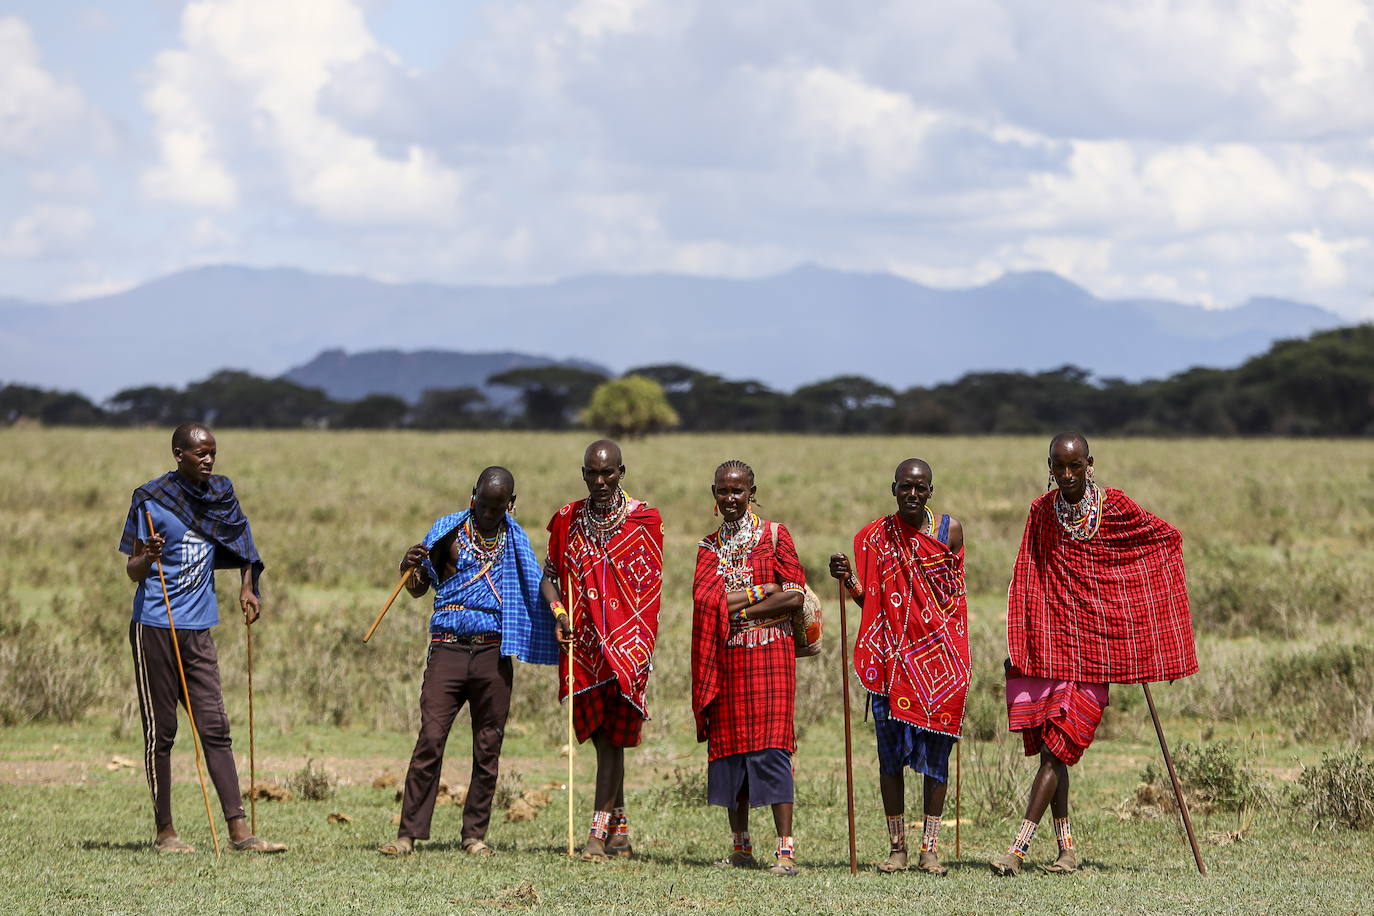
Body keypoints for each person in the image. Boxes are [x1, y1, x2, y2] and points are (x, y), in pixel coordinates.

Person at [991, 432, 1196, 876]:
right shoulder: (1041, 512)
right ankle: (1066, 852)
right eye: (1058, 466)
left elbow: (1162, 539)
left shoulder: (1116, 506)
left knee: (1057, 750)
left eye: (1075, 465)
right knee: (1053, 749)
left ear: (1090, 464)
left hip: (1097, 650)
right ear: (1048, 466)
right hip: (1052, 645)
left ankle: (1017, 850)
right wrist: (1021, 644)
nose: (1066, 474)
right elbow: (1029, 573)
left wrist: (1131, 601)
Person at [118, 423, 286, 854]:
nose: (208, 459)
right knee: (162, 733)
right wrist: (147, 556)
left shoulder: (221, 495)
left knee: (215, 728)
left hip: (199, 629)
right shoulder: (151, 499)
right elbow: (132, 570)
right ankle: (165, 832)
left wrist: (248, 588)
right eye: (199, 453)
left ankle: (240, 833)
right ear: (179, 454)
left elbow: (243, 543)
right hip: (156, 626)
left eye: (212, 452)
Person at [378, 467, 559, 857]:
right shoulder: (447, 530)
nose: (488, 514)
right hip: (447, 648)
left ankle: (474, 836)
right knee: (430, 738)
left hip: (493, 652)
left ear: (511, 504)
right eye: (483, 504)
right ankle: (407, 835)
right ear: (472, 494)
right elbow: (417, 588)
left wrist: (559, 614)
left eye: (497, 508)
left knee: (488, 745)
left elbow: (535, 585)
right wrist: (407, 565)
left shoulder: (515, 540)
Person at [829, 458, 968, 875]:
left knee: (936, 759)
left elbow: (954, 601)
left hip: (939, 662)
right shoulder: (876, 537)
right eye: (905, 486)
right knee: (889, 759)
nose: (912, 494)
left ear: (930, 491)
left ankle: (930, 850)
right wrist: (849, 580)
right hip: (890, 664)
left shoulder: (949, 532)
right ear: (893, 489)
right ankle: (897, 849)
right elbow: (873, 602)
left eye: (920, 487)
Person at [542, 440, 664, 861]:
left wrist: (633, 643)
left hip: (628, 647)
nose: (600, 481)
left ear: (621, 473)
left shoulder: (644, 520)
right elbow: (550, 578)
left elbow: (649, 590)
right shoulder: (567, 519)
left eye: (607, 472)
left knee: (613, 738)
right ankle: (619, 832)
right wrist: (559, 613)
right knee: (602, 739)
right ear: (583, 474)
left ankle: (597, 835)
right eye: (592, 473)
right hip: (583, 646)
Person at [691, 460, 807, 876]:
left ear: (752, 492)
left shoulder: (774, 536)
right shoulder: (709, 547)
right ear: (714, 494)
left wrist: (737, 607)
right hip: (727, 659)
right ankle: (741, 848)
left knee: (773, 746)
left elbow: (794, 595)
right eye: (723, 491)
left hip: (771, 655)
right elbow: (704, 600)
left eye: (738, 491)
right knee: (731, 751)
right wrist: (762, 591)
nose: (730, 499)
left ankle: (785, 852)